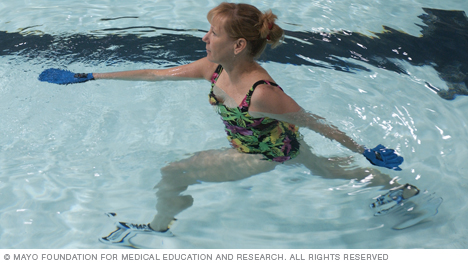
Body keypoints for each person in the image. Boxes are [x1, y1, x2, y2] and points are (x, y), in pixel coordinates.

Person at [39, 2, 432, 245]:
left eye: (214, 32)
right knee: (329, 171)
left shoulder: (261, 92)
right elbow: (160, 74)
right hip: (276, 141)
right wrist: (89, 78)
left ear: (238, 45)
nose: (205, 37)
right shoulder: (213, 68)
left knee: (175, 172)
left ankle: (158, 229)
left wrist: (365, 149)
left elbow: (313, 121)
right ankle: (400, 188)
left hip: (263, 152)